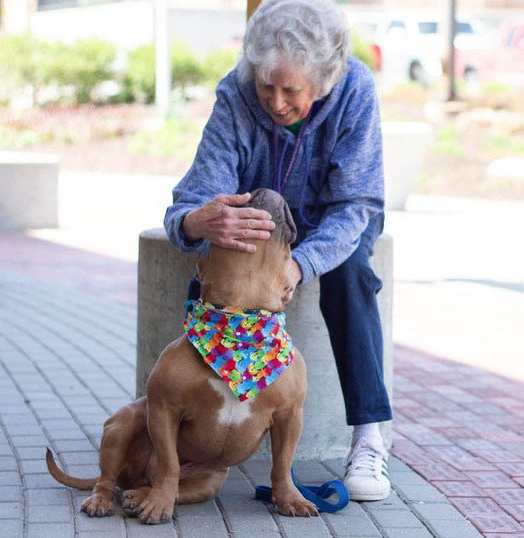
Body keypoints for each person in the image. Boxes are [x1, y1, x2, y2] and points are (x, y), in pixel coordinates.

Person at [163, 0, 392, 501]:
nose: (277, 101)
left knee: (350, 272)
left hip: (336, 215)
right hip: (262, 217)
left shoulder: (355, 88)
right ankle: (201, 426)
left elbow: (356, 204)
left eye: (292, 90)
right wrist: (198, 220)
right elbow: (195, 198)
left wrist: (301, 262)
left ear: (326, 78)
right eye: (268, 86)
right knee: (213, 263)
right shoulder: (237, 92)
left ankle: (369, 436)